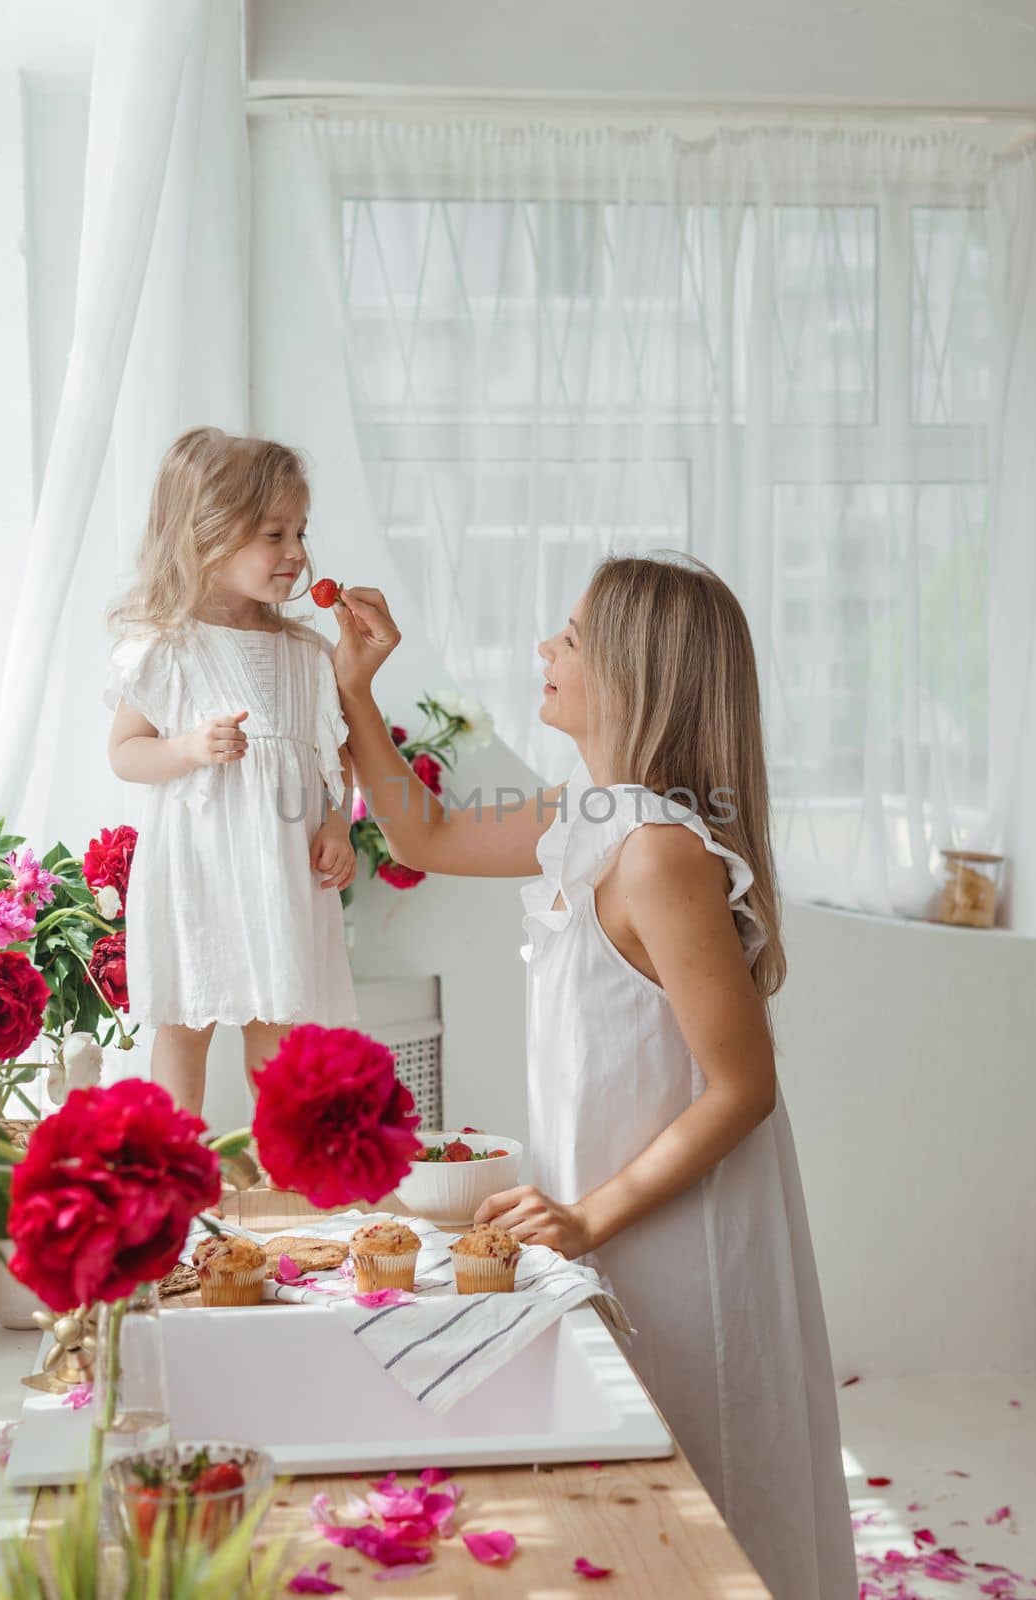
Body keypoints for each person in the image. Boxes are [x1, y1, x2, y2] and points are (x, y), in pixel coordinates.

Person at [328, 552, 858, 1600]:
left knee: (708, 1494)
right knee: (634, 1498)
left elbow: (742, 1085)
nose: (544, 649)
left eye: (569, 636)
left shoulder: (657, 853)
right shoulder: (585, 818)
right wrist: (356, 689)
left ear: (637, 669)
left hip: (678, 1237)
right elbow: (422, 834)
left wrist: (588, 1214)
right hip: (607, 1224)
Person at [104, 427, 357, 1114]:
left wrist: (338, 823)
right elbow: (126, 750)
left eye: (300, 534)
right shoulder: (170, 647)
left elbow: (332, 755)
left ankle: (289, 1176)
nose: (297, 554)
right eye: (273, 535)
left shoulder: (306, 652)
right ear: (207, 536)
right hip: (201, 869)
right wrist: (186, 749)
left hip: (282, 872)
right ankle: (173, 1164)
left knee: (279, 1028)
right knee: (187, 1022)